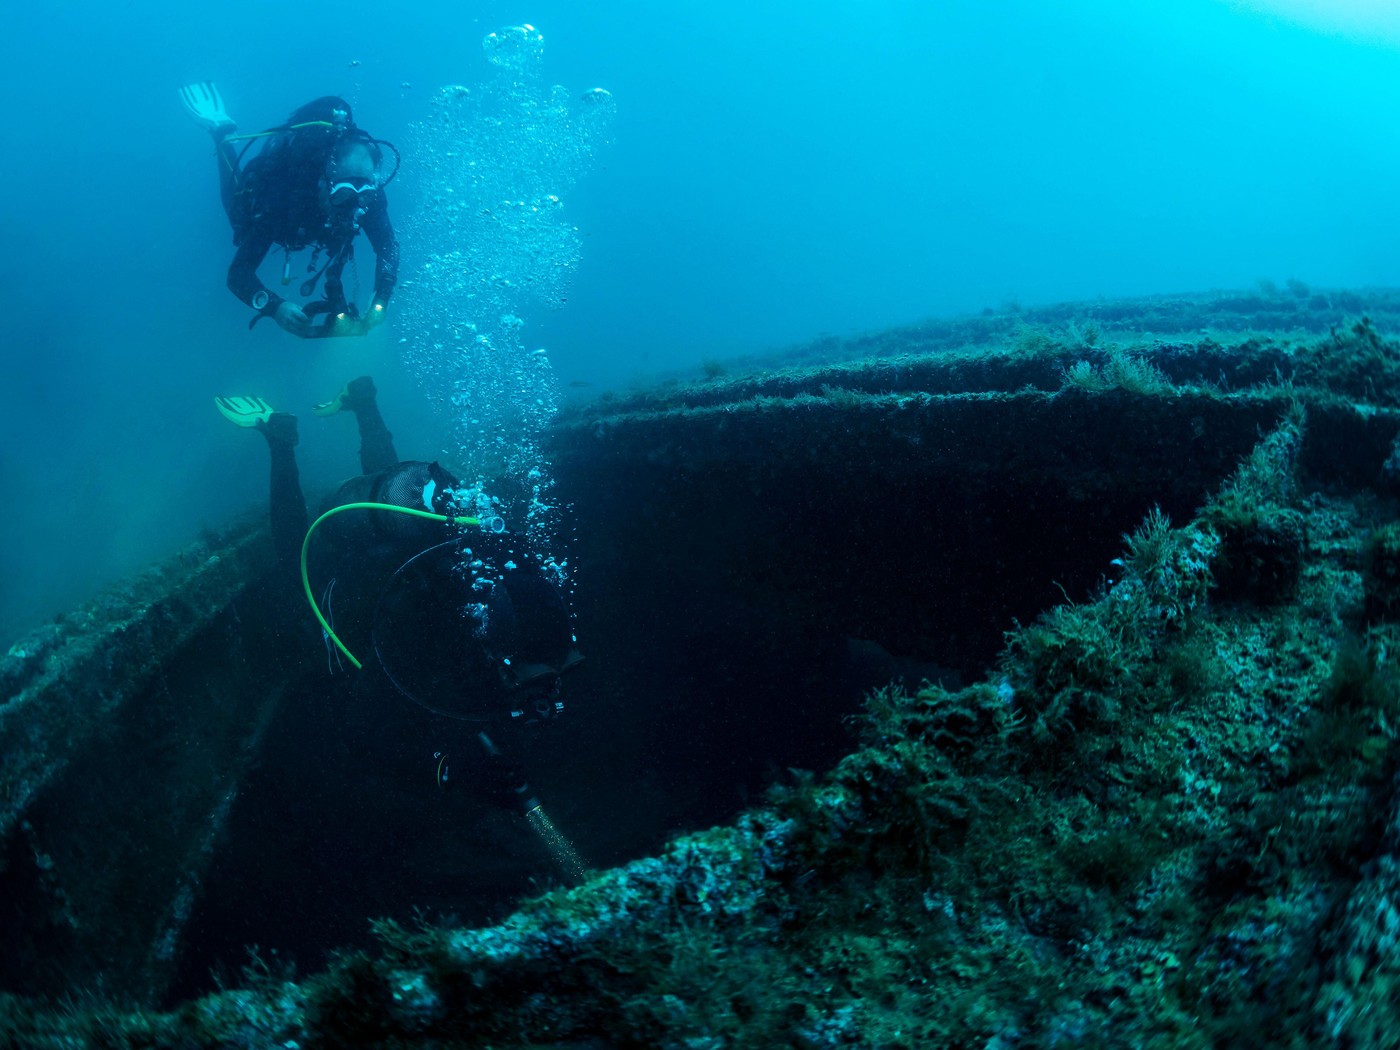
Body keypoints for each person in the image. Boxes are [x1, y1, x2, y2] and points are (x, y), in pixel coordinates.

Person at [215, 377, 583, 817]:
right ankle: (281, 441)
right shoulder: (419, 638)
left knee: (397, 498)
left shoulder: (506, 595)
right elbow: (365, 733)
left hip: (410, 540)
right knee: (296, 559)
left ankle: (363, 404)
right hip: (356, 577)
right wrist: (452, 772)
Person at [180, 83, 401, 337]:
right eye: (344, 193)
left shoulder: (367, 195)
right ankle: (222, 130)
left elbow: (388, 246)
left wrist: (381, 297)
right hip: (280, 212)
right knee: (239, 217)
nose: (355, 205)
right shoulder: (282, 198)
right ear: (326, 179)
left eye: (364, 192)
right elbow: (238, 274)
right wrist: (275, 307)